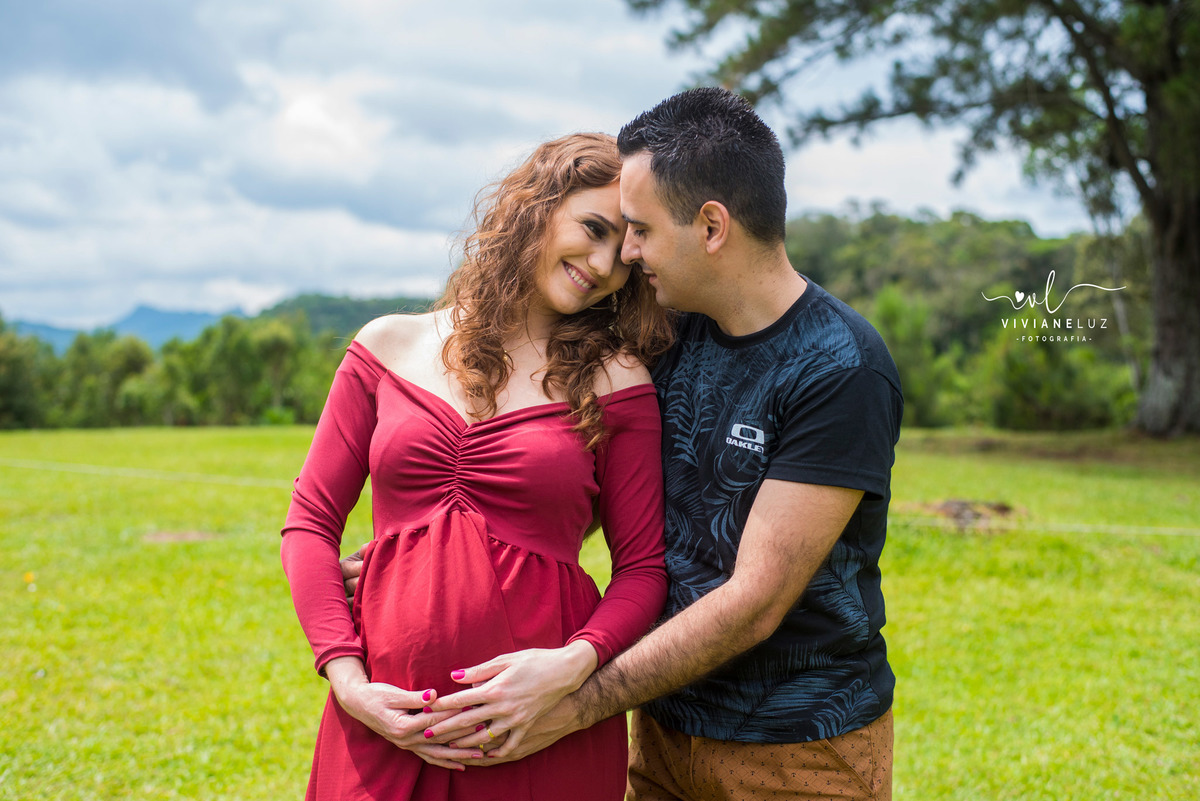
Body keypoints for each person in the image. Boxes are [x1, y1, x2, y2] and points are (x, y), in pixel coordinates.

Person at [401, 88, 903, 799]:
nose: (627, 255)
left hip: (799, 752)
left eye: (640, 229)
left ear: (711, 225)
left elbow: (755, 601)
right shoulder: (665, 339)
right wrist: (420, 552)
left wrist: (571, 705)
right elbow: (552, 472)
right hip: (663, 733)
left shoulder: (840, 367)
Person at [280, 132, 674, 801]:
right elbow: (310, 523)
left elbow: (643, 568)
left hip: (539, 731)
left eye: (625, 252)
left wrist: (569, 668)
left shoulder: (618, 380)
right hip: (381, 721)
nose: (605, 263)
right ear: (537, 206)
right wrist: (348, 683)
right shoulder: (387, 345)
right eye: (594, 228)